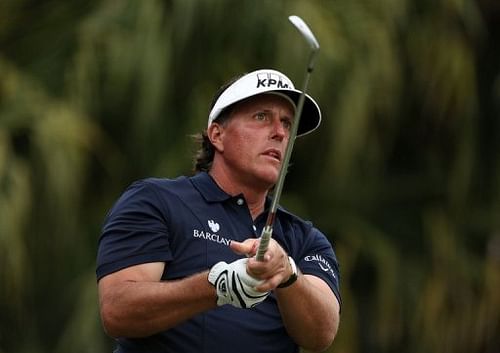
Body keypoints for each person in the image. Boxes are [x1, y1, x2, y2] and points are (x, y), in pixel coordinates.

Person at [96, 68, 341, 353]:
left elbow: (321, 334)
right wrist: (218, 286)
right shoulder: (156, 200)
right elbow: (117, 310)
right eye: (261, 117)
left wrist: (286, 273)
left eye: (287, 124)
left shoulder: (305, 239)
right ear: (217, 134)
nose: (279, 133)